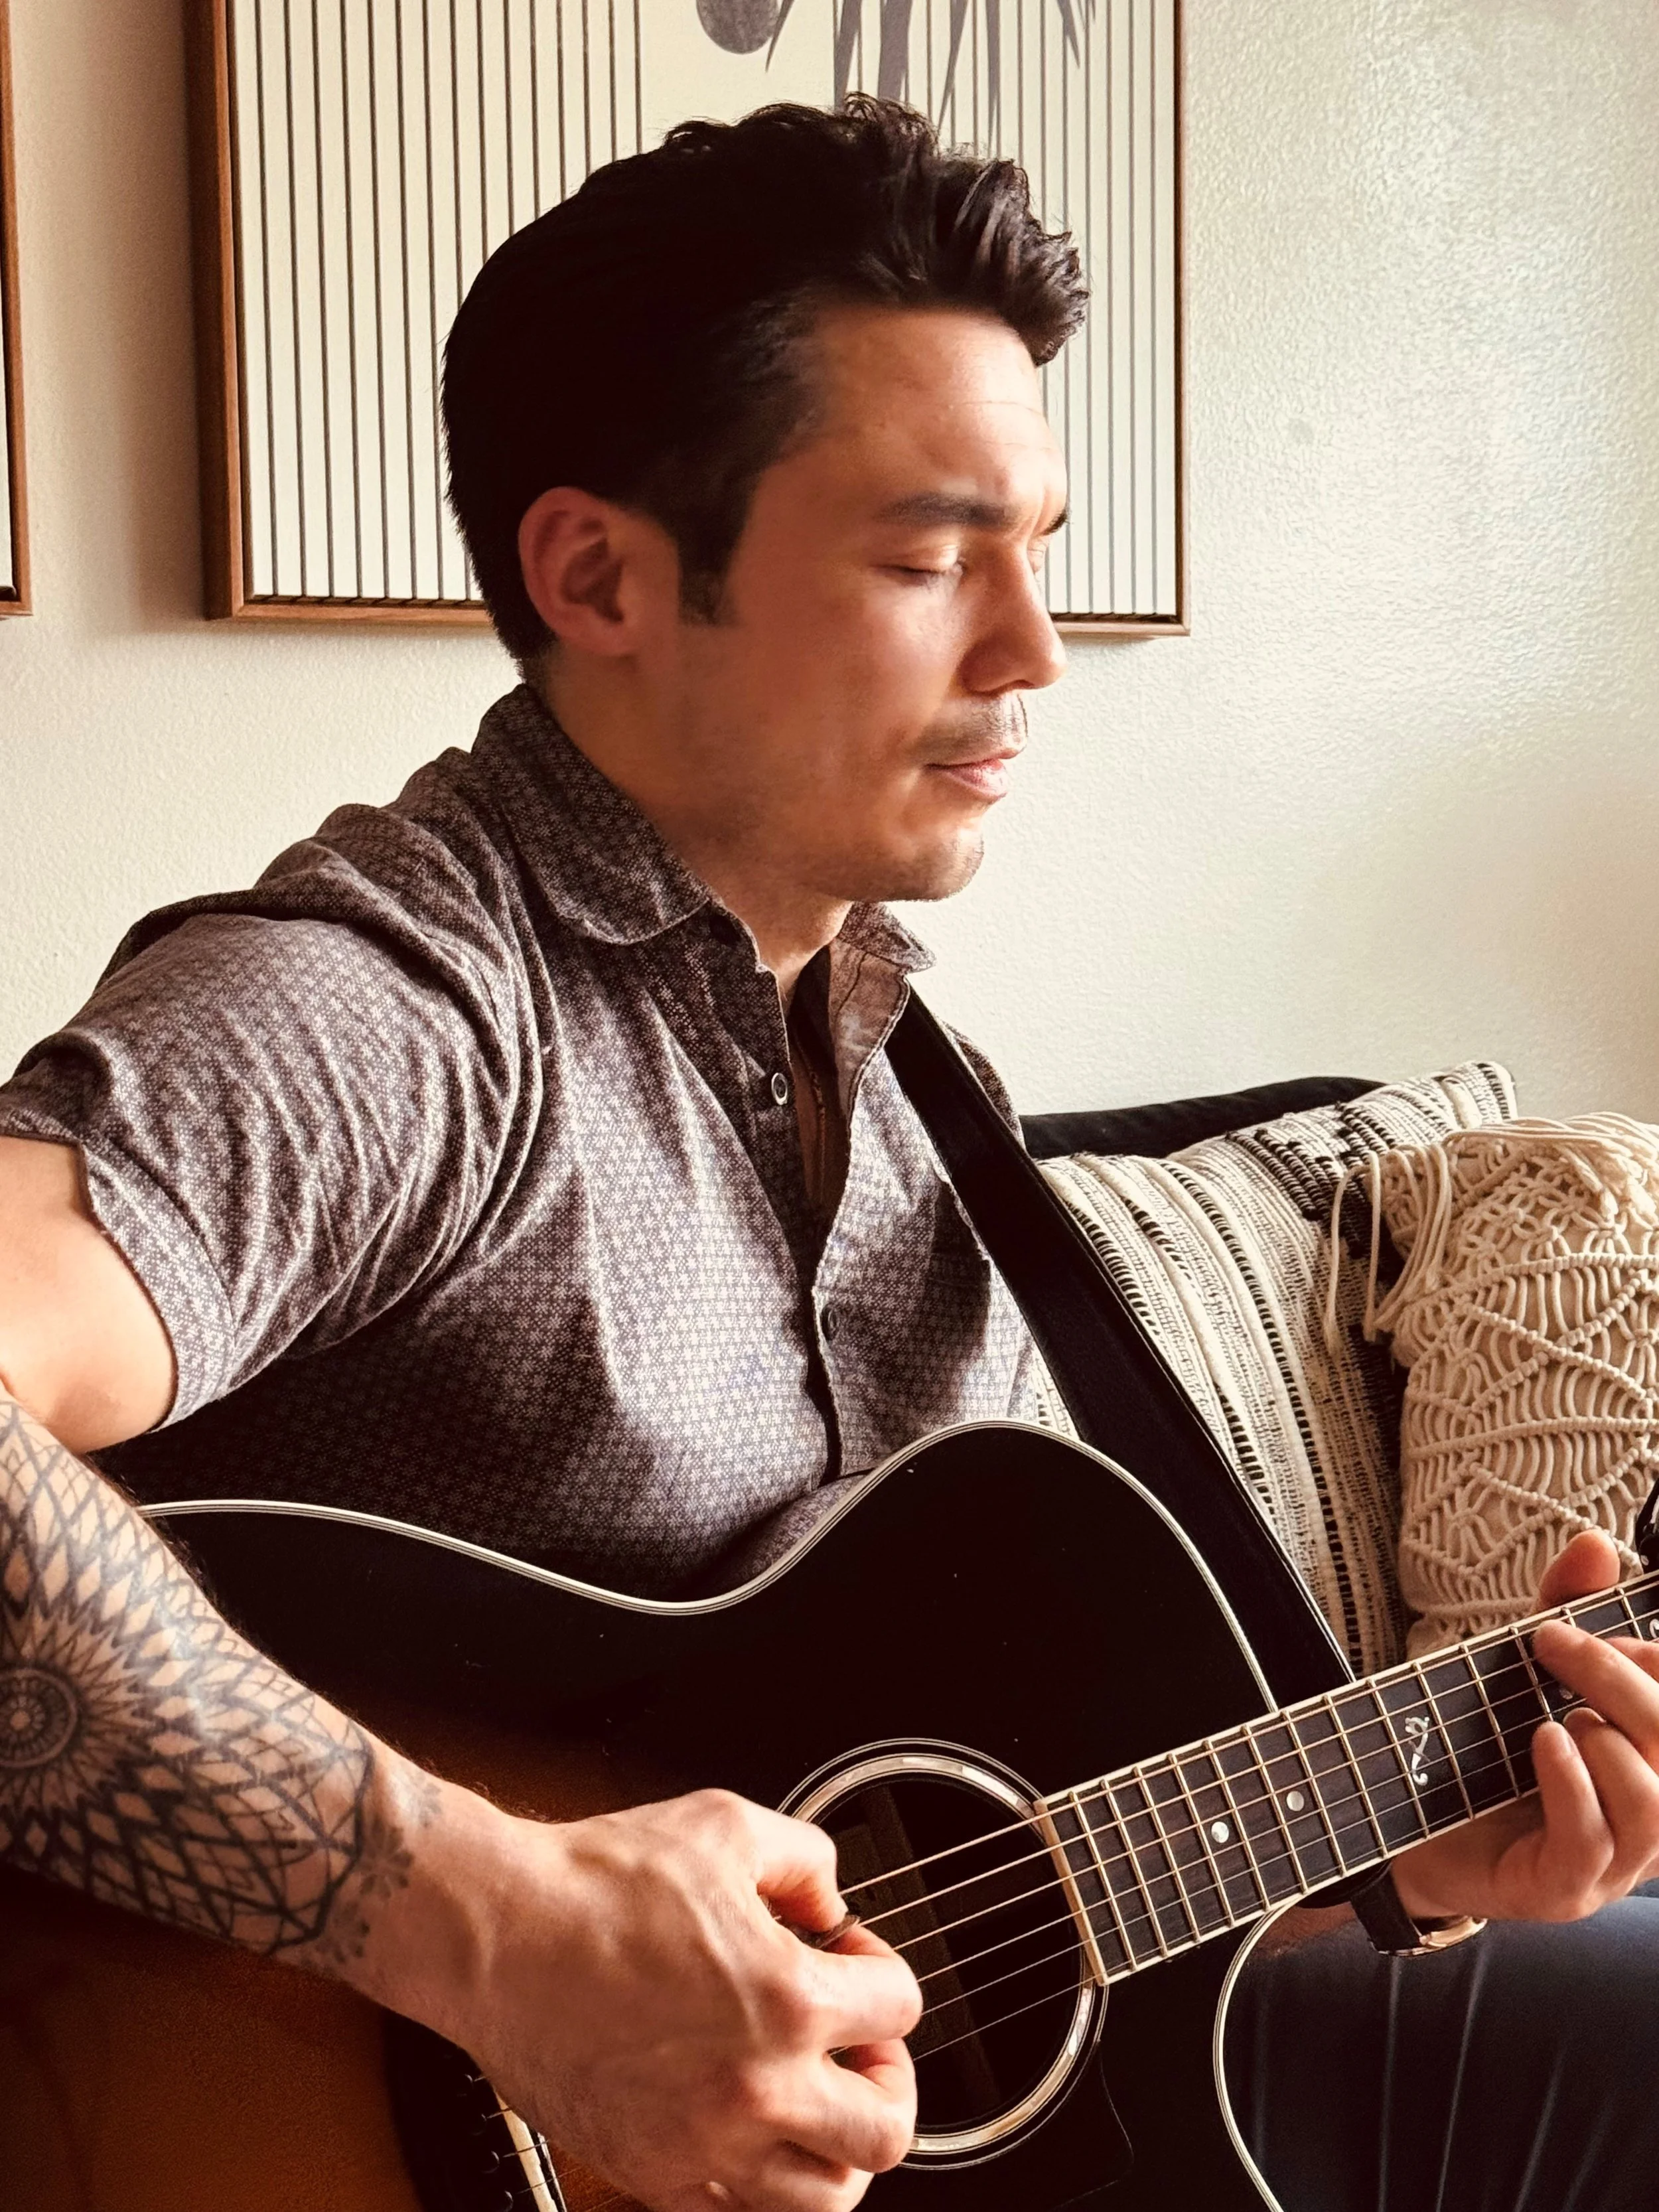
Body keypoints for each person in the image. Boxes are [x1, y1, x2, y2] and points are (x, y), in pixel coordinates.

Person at [2, 98, 1658, 2212]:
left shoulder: (907, 1080)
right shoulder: (395, 1016)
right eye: (924, 557)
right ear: (598, 575)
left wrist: (1412, 1858)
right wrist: (489, 1929)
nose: (1031, 653)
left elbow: (992, 1908)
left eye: (1036, 549)